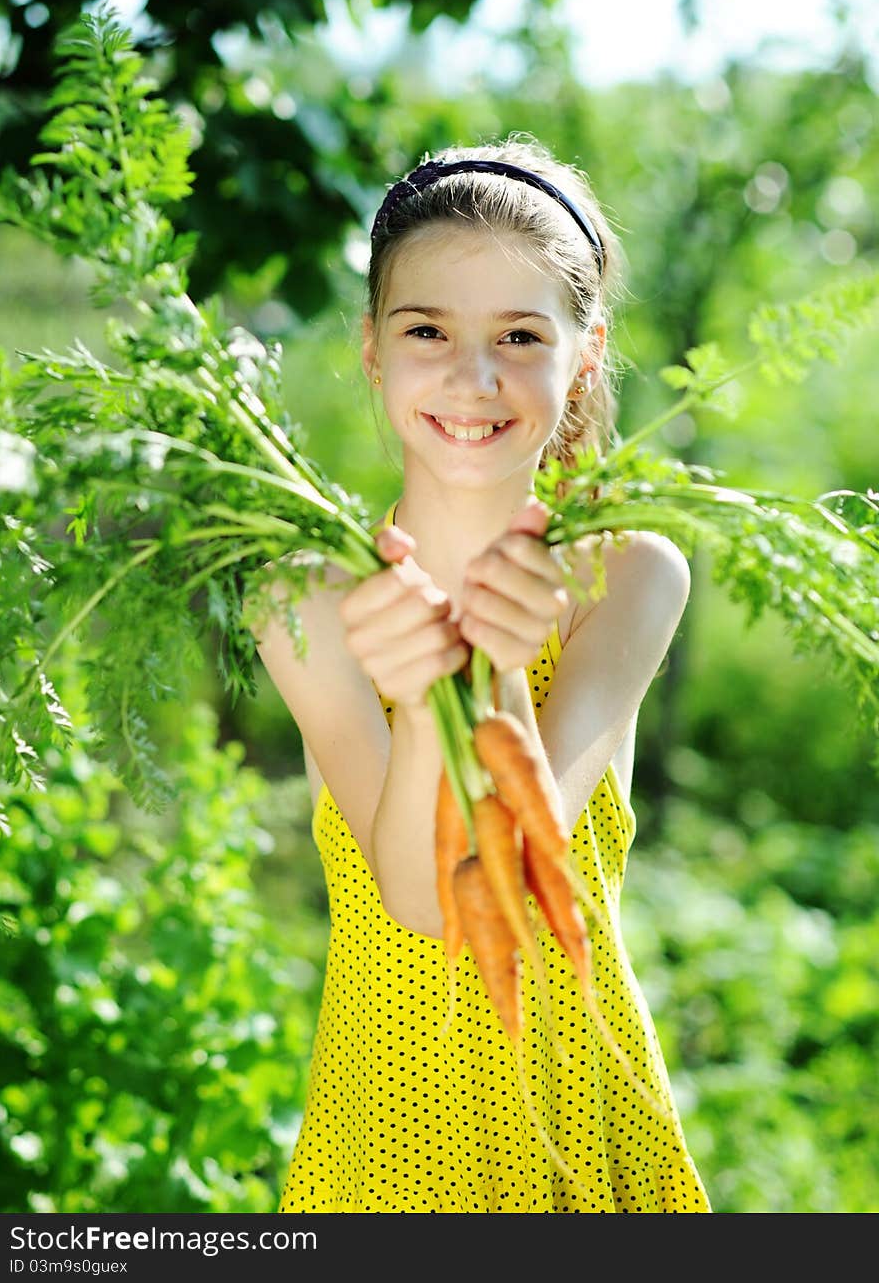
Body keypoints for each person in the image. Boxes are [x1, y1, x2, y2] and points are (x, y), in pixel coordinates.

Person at [254, 135, 711, 1213]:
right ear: (371, 349)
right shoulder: (309, 596)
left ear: (584, 353)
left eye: (519, 334)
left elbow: (508, 872)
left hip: (569, 1105)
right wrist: (424, 697)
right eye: (428, 331)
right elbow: (419, 897)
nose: (475, 376)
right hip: (389, 1123)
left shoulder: (625, 578)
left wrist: (496, 672)